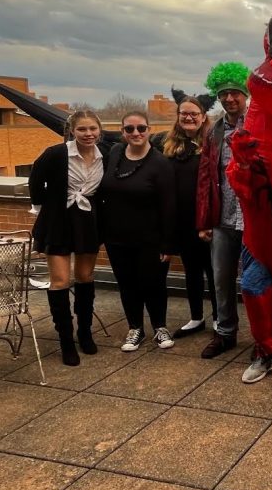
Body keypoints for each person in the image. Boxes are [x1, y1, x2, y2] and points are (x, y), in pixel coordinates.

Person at [29, 110, 105, 366]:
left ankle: (85, 332)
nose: (88, 134)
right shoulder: (57, 153)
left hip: (87, 222)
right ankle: (65, 340)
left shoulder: (104, 154)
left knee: (85, 277)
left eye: (92, 129)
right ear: (72, 131)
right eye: (82, 129)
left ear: (99, 130)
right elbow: (35, 182)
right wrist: (46, 209)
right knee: (60, 280)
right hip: (59, 221)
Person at [99, 111, 177, 351]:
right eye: (129, 129)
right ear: (122, 132)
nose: (136, 133)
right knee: (127, 283)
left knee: (153, 283)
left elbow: (169, 204)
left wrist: (167, 243)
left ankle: (160, 327)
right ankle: (135, 328)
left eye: (141, 128)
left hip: (150, 238)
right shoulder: (114, 154)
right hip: (117, 237)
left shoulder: (160, 163)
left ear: (149, 130)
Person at [196, 62, 250, 359]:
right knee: (220, 279)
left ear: (245, 94)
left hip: (254, 218)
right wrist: (204, 221)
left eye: (235, 93)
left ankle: (265, 339)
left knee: (257, 281)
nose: (229, 98)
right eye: (223, 93)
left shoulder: (259, 123)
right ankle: (225, 333)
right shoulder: (213, 131)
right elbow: (205, 177)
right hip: (223, 217)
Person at [159, 95, 217, 338]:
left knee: (214, 272)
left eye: (194, 113)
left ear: (203, 117)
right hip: (183, 220)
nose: (189, 117)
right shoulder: (169, 146)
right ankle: (196, 317)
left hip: (208, 220)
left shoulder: (213, 143)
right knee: (191, 270)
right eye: (184, 113)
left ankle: (219, 318)